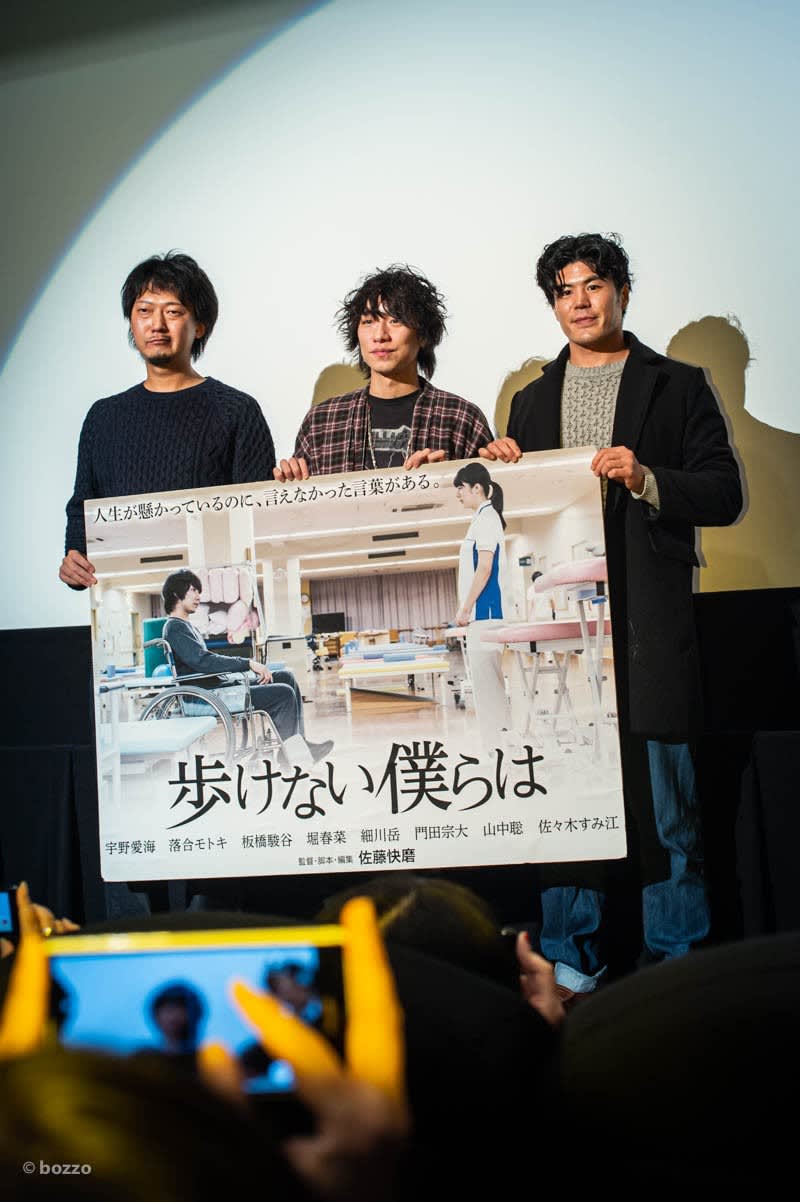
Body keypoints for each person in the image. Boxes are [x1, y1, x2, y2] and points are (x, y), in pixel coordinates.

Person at [481, 233, 742, 1001]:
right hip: (560, 637)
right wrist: (502, 469)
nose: (581, 302)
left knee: (668, 815)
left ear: (622, 292)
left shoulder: (678, 384)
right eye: (565, 290)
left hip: (648, 630)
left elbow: (725, 492)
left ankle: (679, 965)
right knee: (567, 803)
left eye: (594, 285)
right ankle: (572, 962)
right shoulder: (531, 399)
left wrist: (649, 477)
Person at [60, 251, 276, 589]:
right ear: (131, 322)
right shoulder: (102, 417)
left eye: (173, 311)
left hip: (216, 602)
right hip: (127, 600)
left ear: (200, 326)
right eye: (144, 311)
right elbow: (83, 510)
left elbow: (260, 520)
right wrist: (74, 560)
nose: (157, 324)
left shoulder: (237, 410)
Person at [274, 264, 493, 480]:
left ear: (423, 335)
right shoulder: (322, 421)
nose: (380, 335)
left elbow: (488, 496)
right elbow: (304, 501)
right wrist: (290, 481)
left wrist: (444, 483)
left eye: (395, 321)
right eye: (368, 321)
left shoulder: (460, 417)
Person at [161, 569, 332, 764]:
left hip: (215, 689)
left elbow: (204, 660)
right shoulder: (175, 627)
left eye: (198, 591)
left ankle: (298, 746)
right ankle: (292, 755)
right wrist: (247, 663)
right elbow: (203, 661)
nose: (198, 596)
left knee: (286, 677)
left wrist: (243, 667)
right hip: (205, 698)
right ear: (176, 593)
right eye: (193, 590)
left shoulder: (186, 626)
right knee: (283, 694)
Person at [453, 462, 511, 755]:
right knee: (488, 686)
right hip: (482, 615)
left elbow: (485, 568)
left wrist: (465, 609)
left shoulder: (487, 519)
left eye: (460, 488)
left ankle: (497, 749)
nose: (458, 494)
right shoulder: (482, 519)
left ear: (477, 487)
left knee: (488, 687)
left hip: (486, 614)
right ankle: (499, 746)